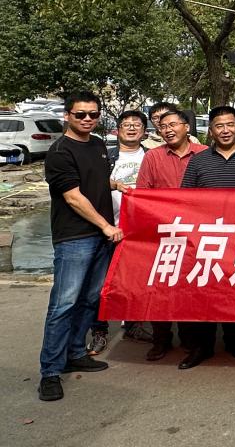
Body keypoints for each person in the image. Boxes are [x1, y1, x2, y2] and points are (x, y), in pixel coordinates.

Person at [37, 92, 122, 402]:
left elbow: (94, 180)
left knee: (90, 298)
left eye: (93, 114)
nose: (88, 119)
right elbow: (73, 197)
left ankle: (75, 353)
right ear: (67, 116)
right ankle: (50, 371)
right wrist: (105, 226)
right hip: (75, 237)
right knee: (64, 304)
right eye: (81, 114)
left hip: (100, 238)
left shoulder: (98, 145)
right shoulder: (59, 152)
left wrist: (117, 185)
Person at [177, 105, 235, 370]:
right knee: (204, 294)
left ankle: (234, 342)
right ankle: (202, 347)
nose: (225, 131)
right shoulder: (199, 160)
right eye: (219, 126)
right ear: (211, 131)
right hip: (207, 238)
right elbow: (184, 199)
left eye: (230, 125)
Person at [134, 107, 209, 362]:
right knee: (160, 288)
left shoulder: (204, 153)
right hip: (163, 232)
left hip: (196, 233)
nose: (168, 130)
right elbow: (143, 195)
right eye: (163, 126)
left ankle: (189, 337)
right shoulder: (152, 157)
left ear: (186, 127)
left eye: (173, 124)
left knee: (190, 287)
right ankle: (161, 339)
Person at [88, 110, 148, 356]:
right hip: (108, 227)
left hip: (140, 232)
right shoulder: (104, 156)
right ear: (118, 129)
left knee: (135, 283)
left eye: (137, 125)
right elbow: (89, 184)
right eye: (126, 124)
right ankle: (99, 331)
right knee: (99, 284)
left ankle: (133, 325)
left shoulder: (152, 157)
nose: (131, 128)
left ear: (144, 130)